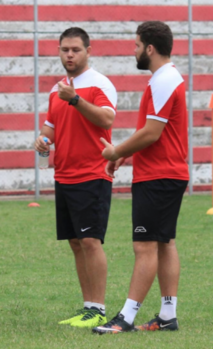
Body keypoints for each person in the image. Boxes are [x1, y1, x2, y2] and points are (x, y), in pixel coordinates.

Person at [92, 21, 189, 334]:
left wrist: (114, 150)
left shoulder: (164, 79)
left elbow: (152, 132)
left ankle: (126, 318)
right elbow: (154, 133)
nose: (133, 51)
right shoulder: (166, 78)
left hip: (159, 176)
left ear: (149, 48)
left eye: (136, 45)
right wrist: (125, 155)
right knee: (164, 243)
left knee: (145, 246)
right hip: (167, 173)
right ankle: (167, 316)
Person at [34, 27, 118, 329]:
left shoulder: (99, 84)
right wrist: (43, 139)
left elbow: (107, 119)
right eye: (64, 49)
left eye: (75, 50)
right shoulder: (58, 89)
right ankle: (88, 306)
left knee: (91, 241)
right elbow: (51, 126)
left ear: (88, 51)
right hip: (65, 175)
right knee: (75, 242)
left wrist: (76, 100)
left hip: (92, 174)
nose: (69, 55)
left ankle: (99, 309)